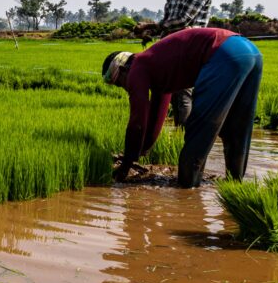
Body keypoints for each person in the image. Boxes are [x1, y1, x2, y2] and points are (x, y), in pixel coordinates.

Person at [102, 27, 262, 188]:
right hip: (250, 51)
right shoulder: (155, 66)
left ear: (123, 69)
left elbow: (137, 121)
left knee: (199, 129)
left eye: (119, 83)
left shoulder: (138, 67)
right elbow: (157, 115)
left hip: (223, 54)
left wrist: (125, 165)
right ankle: (236, 186)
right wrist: (144, 149)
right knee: (236, 128)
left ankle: (188, 189)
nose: (125, 87)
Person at [134, 0, 213, 125]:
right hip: (171, 44)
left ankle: (182, 136)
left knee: (183, 92)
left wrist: (150, 25)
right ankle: (167, 132)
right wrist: (151, 33)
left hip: (190, 45)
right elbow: (168, 19)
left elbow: (183, 20)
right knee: (168, 90)